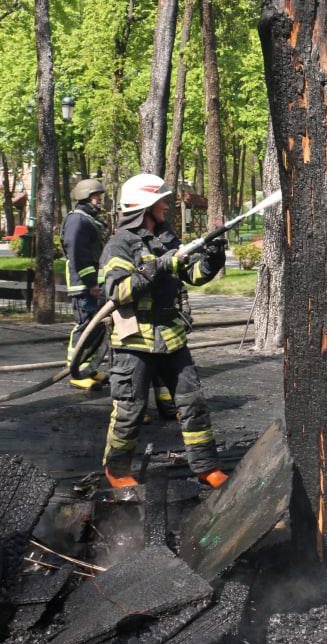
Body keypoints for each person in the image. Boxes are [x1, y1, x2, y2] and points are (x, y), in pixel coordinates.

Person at [99, 173, 228, 489]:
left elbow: (193, 275)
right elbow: (118, 292)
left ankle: (206, 466)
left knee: (192, 402)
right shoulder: (120, 244)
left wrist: (213, 257)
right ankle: (116, 470)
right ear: (145, 206)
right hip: (134, 342)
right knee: (130, 409)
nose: (167, 206)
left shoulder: (167, 238)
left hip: (171, 338)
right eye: (162, 201)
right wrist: (157, 266)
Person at [62, 179, 111, 390]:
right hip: (83, 285)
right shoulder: (77, 221)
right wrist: (91, 282)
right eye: (97, 197)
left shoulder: (89, 219)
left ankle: (88, 369)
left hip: (94, 285)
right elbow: (78, 254)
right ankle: (76, 372)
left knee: (96, 328)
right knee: (84, 327)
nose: (100, 200)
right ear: (88, 197)